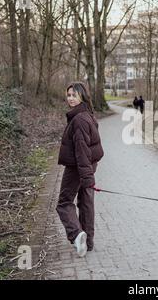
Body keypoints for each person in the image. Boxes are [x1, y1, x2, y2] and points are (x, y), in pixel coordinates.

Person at [56, 82, 104, 257]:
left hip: (78, 167)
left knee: (63, 203)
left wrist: (86, 178)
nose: (70, 98)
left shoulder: (78, 120)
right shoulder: (87, 115)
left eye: (74, 95)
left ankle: (77, 235)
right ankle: (88, 243)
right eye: (68, 95)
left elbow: (82, 150)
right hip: (87, 166)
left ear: (82, 96)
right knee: (85, 203)